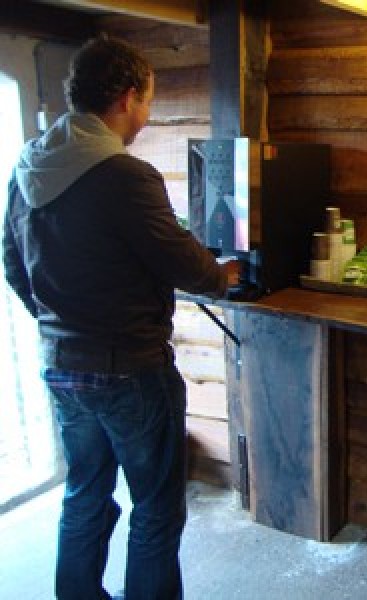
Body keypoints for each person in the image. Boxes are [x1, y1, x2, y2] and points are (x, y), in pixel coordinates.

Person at [2, 34, 239, 600]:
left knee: (85, 494)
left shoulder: (29, 166)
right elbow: (186, 265)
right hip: (130, 369)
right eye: (147, 102)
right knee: (155, 508)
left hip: (61, 364)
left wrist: (55, 322)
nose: (146, 116)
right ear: (127, 97)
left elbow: (13, 262)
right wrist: (222, 274)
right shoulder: (125, 175)